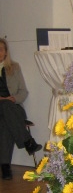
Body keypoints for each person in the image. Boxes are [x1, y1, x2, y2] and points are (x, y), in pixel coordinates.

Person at [0, 38, 42, 180]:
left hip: (14, 108)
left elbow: (23, 92)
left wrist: (14, 98)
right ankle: (28, 141)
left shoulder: (15, 67)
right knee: (5, 111)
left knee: (6, 116)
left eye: (1, 49)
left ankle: (5, 166)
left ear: (6, 52)